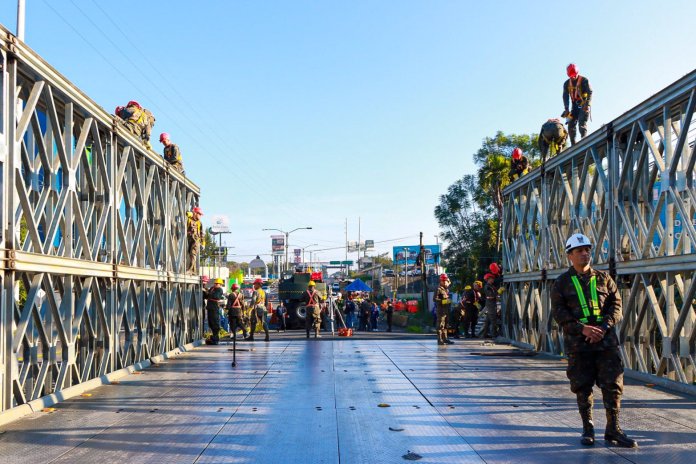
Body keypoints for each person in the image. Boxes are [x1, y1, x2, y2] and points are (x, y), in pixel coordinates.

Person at [552, 233, 637, 448]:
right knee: (582, 386)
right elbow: (559, 313)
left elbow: (616, 306)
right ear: (570, 255)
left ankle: (613, 430)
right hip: (579, 344)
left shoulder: (604, 278)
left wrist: (603, 327)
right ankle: (588, 429)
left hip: (606, 342)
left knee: (613, 386)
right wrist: (583, 330)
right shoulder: (561, 282)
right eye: (579, 251)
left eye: (587, 249)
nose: (585, 253)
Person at [562, 63, 593, 145]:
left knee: (581, 123)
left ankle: (584, 141)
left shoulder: (584, 80)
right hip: (574, 107)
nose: (573, 77)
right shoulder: (566, 84)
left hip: (583, 105)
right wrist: (566, 109)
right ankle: (573, 144)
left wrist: (587, 104)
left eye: (574, 75)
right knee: (570, 124)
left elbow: (590, 92)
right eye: (571, 76)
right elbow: (565, 96)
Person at [433, 274, 454, 345]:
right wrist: (442, 301)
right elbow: (434, 299)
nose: (446, 283)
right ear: (441, 281)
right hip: (441, 310)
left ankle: (445, 338)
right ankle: (440, 340)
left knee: (446, 325)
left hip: (446, 310)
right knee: (440, 325)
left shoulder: (446, 289)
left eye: (446, 281)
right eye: (444, 281)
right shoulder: (438, 289)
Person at [205, 278, 224, 345]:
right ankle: (213, 337)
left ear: (220, 284)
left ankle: (216, 338)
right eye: (215, 283)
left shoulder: (220, 290)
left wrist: (209, 293)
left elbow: (216, 297)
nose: (215, 284)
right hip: (210, 307)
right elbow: (207, 296)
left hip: (214, 308)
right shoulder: (212, 289)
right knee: (210, 323)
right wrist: (205, 292)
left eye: (217, 284)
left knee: (215, 322)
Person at [186, 207, 204, 275]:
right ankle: (193, 271)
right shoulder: (189, 220)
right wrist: (188, 214)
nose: (200, 216)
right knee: (190, 255)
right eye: (199, 214)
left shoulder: (199, 223)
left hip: (196, 241)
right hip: (189, 240)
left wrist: (203, 243)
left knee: (193, 254)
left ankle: (190, 270)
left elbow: (202, 233)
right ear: (195, 213)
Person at [480, 273, 499, 338]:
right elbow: (490, 296)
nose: (493, 279)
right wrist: (498, 292)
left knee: (488, 321)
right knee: (493, 320)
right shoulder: (487, 287)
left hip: (492, 304)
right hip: (490, 305)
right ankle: (494, 335)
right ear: (488, 279)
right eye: (492, 278)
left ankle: (484, 334)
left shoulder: (492, 286)